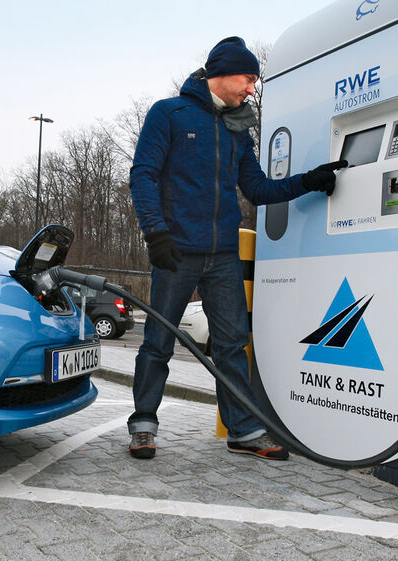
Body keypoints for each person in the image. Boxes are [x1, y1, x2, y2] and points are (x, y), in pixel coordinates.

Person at [127, 36, 347, 460]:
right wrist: (155, 233)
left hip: (224, 254)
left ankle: (242, 430)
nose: (252, 88)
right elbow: (143, 175)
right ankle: (143, 426)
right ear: (221, 72)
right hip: (175, 251)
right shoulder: (169, 114)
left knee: (232, 342)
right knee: (159, 341)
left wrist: (308, 181)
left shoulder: (238, 129)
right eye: (248, 79)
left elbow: (257, 188)